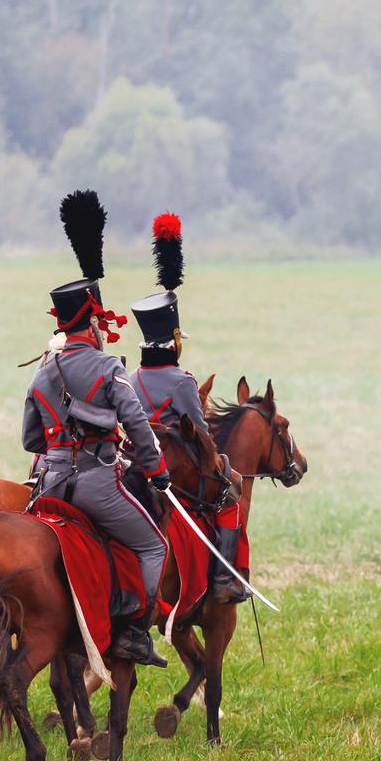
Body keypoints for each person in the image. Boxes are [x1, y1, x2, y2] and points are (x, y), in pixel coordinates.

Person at [22, 190, 169, 667]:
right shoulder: (108, 368)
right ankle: (132, 632)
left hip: (50, 486)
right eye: (102, 322)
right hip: (97, 484)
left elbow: (29, 438)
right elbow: (138, 426)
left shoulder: (43, 372)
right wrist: (155, 470)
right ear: (93, 324)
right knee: (153, 545)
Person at [130, 213, 248, 606]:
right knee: (230, 485)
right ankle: (226, 578)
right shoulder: (183, 381)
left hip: (136, 460)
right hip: (177, 466)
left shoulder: (130, 378)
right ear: (175, 342)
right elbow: (200, 433)